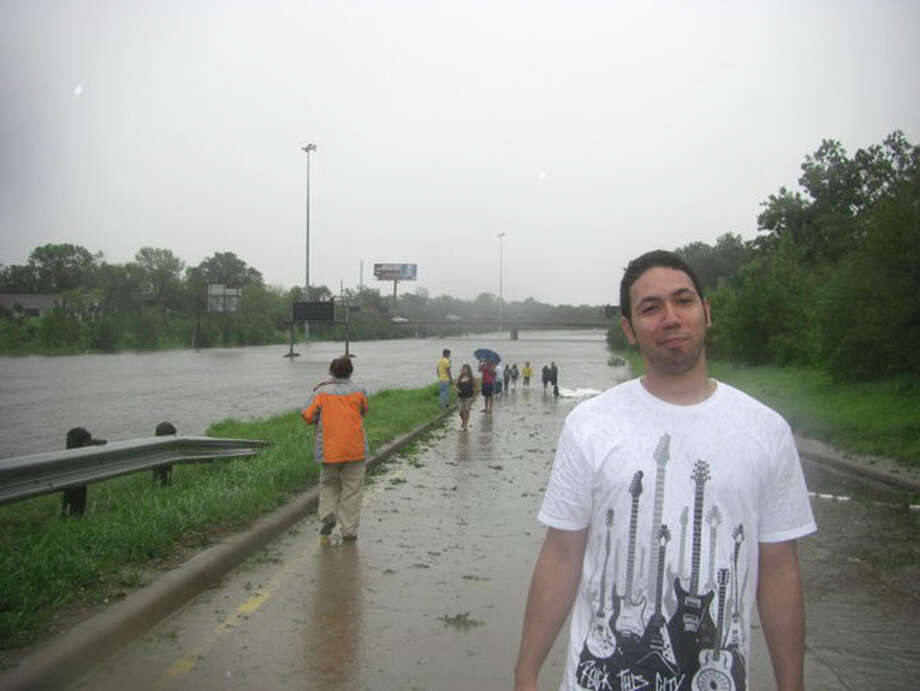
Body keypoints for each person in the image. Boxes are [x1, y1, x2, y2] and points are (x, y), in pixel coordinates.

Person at [514, 250, 816, 691]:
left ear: (707, 312)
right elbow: (561, 556)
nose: (670, 318)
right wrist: (526, 673)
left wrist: (792, 686)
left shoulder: (766, 430)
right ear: (628, 330)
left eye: (684, 301)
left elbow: (779, 572)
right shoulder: (589, 424)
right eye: (650, 308)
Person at [302, 356, 370, 543]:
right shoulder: (360, 391)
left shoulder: (321, 392)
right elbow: (364, 411)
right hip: (355, 449)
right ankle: (349, 530)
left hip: (329, 449)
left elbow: (307, 416)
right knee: (353, 489)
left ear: (331, 371)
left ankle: (328, 515)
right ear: (351, 371)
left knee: (329, 484)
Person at [455, 363, 476, 431]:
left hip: (469, 397)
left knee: (466, 411)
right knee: (460, 412)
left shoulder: (471, 378)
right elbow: (455, 385)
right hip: (461, 397)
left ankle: (465, 425)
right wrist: (457, 390)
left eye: (465, 369)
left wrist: (474, 396)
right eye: (463, 369)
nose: (464, 370)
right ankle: (464, 421)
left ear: (468, 370)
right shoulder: (459, 377)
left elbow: (475, 387)